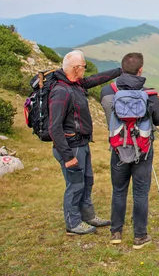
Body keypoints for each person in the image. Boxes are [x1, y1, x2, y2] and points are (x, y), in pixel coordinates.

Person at [49, 50, 122, 236]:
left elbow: (97, 78)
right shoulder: (61, 91)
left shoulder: (76, 84)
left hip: (82, 143)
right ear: (75, 68)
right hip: (71, 147)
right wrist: (67, 156)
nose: (85, 70)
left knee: (87, 181)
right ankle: (73, 224)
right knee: (75, 185)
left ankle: (88, 216)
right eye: (83, 66)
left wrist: (121, 70)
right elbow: (54, 127)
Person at [100, 53, 159, 249]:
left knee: (119, 191)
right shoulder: (149, 94)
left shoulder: (106, 92)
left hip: (118, 148)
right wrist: (152, 103)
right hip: (143, 151)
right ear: (140, 70)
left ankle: (116, 233)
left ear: (122, 69)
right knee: (140, 193)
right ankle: (139, 236)